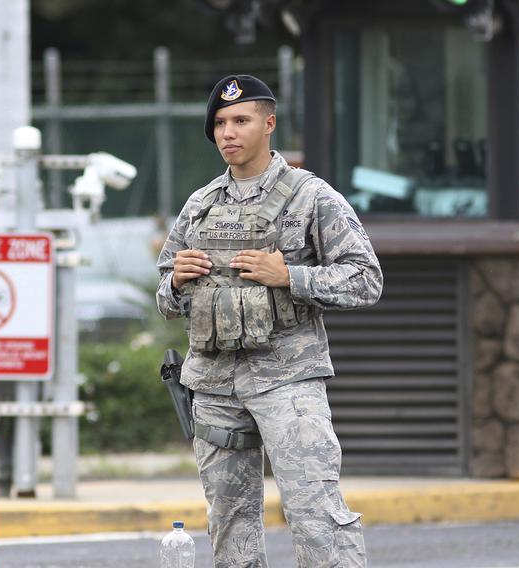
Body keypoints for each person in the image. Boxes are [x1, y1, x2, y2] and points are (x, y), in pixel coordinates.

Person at [155, 74, 382, 567]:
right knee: (229, 522)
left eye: (241, 120)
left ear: (269, 123)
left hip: (289, 380)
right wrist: (174, 283)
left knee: (315, 513)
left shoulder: (311, 196)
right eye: (219, 123)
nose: (227, 132)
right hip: (213, 384)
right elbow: (166, 295)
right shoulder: (201, 204)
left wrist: (292, 277)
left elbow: (366, 279)